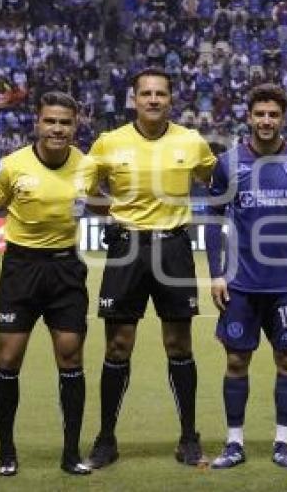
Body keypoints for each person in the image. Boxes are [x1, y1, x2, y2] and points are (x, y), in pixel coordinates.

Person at [85, 68, 216, 468]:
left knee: (179, 344)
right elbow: (87, 189)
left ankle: (189, 438)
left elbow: (214, 180)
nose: (154, 100)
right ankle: (106, 438)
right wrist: (117, 211)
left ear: (171, 99)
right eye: (146, 93)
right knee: (118, 345)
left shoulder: (191, 142)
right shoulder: (109, 142)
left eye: (161, 93)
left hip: (174, 248)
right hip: (127, 248)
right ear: (134, 99)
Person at [0, 91, 97, 476]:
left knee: (71, 357)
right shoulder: (10, 166)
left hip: (67, 269)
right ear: (37, 122)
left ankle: (71, 454)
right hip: (21, 269)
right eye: (50, 121)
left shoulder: (88, 167)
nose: (57, 128)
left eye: (65, 122)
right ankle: (6, 451)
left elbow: (109, 201)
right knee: (8, 359)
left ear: (76, 125)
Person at [206, 84, 287, 469]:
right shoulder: (228, 163)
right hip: (240, 285)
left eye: (273, 114)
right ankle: (234, 443)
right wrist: (216, 275)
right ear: (249, 116)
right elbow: (213, 221)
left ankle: (282, 442)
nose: (266, 121)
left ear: (283, 118)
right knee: (236, 363)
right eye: (260, 114)